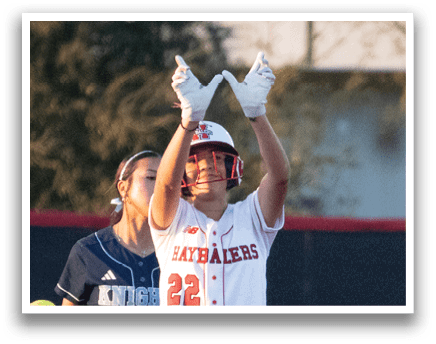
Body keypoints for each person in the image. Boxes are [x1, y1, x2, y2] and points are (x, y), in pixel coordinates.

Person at [149, 52, 290, 306]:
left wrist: (257, 114)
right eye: (194, 160)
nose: (206, 166)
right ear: (182, 170)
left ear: (231, 166)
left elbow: (280, 177)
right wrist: (188, 122)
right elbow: (165, 184)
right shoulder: (174, 217)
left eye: (217, 157)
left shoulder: (251, 217)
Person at [55, 150, 162, 305]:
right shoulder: (88, 251)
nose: (161, 187)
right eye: (151, 177)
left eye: (166, 180)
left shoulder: (180, 252)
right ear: (123, 188)